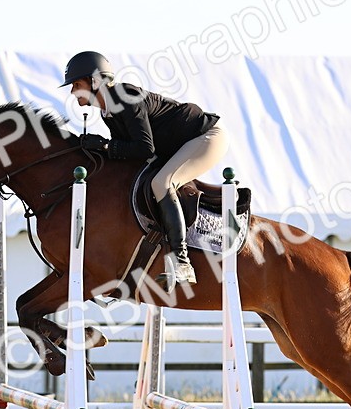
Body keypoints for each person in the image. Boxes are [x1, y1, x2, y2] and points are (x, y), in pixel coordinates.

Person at [61, 51, 227, 288]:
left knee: (162, 183)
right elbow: (127, 156)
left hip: (207, 136)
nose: (73, 91)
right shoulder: (108, 110)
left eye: (77, 84)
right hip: (177, 145)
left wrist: (106, 146)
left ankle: (182, 262)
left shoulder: (125, 98)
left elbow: (144, 148)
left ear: (95, 81)